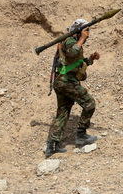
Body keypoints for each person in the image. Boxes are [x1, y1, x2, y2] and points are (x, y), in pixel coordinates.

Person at [45, 19, 100, 158]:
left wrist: (90, 59)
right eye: (86, 31)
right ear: (79, 31)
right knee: (89, 104)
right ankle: (81, 135)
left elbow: (74, 63)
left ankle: (52, 145)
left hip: (63, 81)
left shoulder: (72, 42)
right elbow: (71, 53)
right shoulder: (70, 41)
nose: (88, 34)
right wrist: (82, 38)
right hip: (66, 82)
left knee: (63, 112)